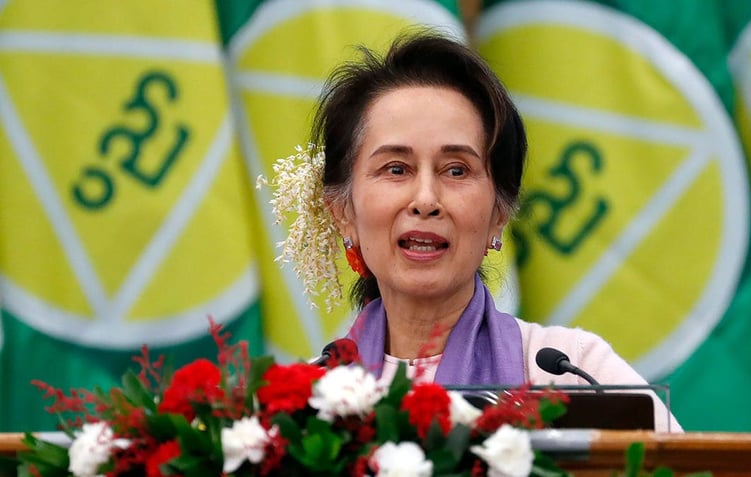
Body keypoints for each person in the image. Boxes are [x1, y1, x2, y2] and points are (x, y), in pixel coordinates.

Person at [271, 30, 682, 432]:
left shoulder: (568, 371)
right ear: (342, 210)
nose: (426, 199)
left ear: (499, 214)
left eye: (457, 170)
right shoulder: (305, 404)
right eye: (396, 169)